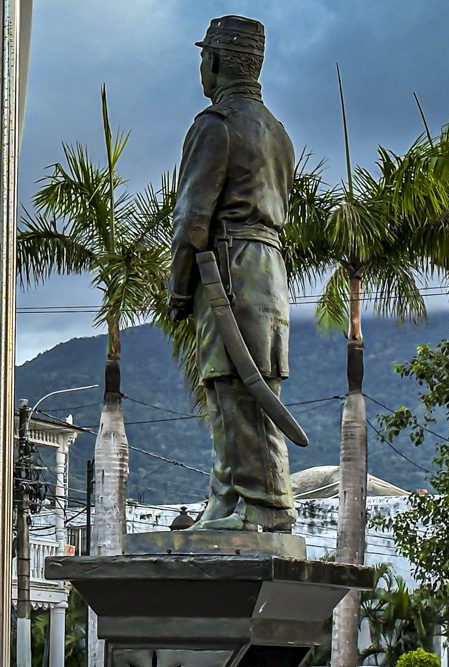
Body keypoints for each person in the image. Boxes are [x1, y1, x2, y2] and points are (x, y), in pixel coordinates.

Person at [168, 15, 298, 532]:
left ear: (217, 61)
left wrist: (179, 290)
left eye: (204, 57)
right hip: (269, 274)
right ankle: (227, 501)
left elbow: (192, 220)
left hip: (228, 269)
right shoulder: (277, 132)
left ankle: (264, 505)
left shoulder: (216, 127)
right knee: (240, 393)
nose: (201, 67)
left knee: (237, 392)